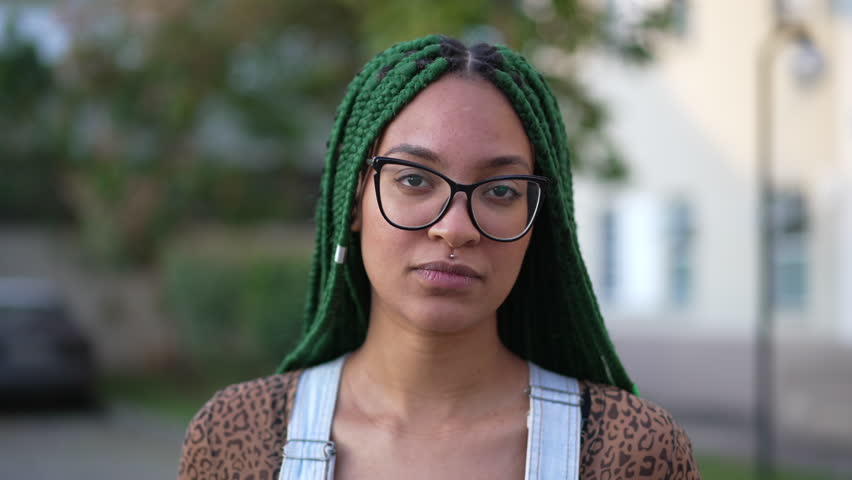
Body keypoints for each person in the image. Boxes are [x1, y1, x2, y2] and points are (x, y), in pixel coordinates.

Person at [177, 35, 700, 480]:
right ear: (354, 200)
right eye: (413, 179)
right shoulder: (237, 439)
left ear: (538, 221)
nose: (455, 227)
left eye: (500, 191)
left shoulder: (628, 452)